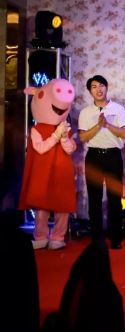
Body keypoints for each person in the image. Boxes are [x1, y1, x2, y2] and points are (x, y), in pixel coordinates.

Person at [20, 79, 76, 251]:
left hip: (62, 171)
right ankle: (40, 237)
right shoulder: (36, 129)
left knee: (63, 205)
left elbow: (70, 149)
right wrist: (55, 136)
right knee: (41, 206)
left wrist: (64, 137)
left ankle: (58, 237)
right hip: (42, 171)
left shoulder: (65, 127)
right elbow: (40, 148)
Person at [78, 75, 125, 250]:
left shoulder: (118, 109)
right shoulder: (85, 112)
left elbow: (124, 134)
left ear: (107, 88)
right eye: (94, 87)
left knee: (115, 198)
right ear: (90, 91)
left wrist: (107, 125)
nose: (98, 89)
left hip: (113, 156)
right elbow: (83, 137)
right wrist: (97, 126)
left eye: (101, 85)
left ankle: (115, 238)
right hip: (94, 157)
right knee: (94, 198)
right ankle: (97, 238)